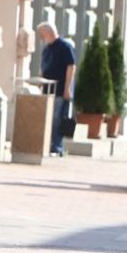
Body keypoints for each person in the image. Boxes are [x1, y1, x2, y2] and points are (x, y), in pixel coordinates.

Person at [37, 22, 77, 157]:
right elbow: (43, 66)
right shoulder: (47, 48)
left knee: (57, 119)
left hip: (60, 89)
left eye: (42, 35)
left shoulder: (65, 46)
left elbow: (71, 67)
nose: (41, 38)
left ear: (48, 33)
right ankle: (48, 145)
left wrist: (67, 88)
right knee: (48, 118)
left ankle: (57, 147)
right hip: (47, 90)